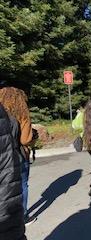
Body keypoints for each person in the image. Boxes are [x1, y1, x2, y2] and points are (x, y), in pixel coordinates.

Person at [0, 86, 34, 224]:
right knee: (22, 184)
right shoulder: (22, 114)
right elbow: (25, 140)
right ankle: (23, 216)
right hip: (18, 154)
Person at [0, 104, 27, 240]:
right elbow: (25, 139)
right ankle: (25, 213)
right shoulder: (18, 113)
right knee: (22, 185)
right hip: (14, 159)